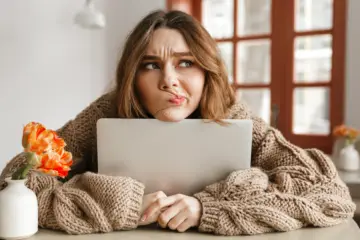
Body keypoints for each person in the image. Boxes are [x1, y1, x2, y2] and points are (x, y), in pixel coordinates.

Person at [0, 10, 356, 236]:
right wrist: (116, 204)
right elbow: (12, 185)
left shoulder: (230, 113)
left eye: (186, 63)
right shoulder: (105, 112)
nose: (169, 80)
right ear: (132, 77)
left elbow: (330, 195)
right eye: (151, 65)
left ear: (207, 72)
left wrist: (210, 209)